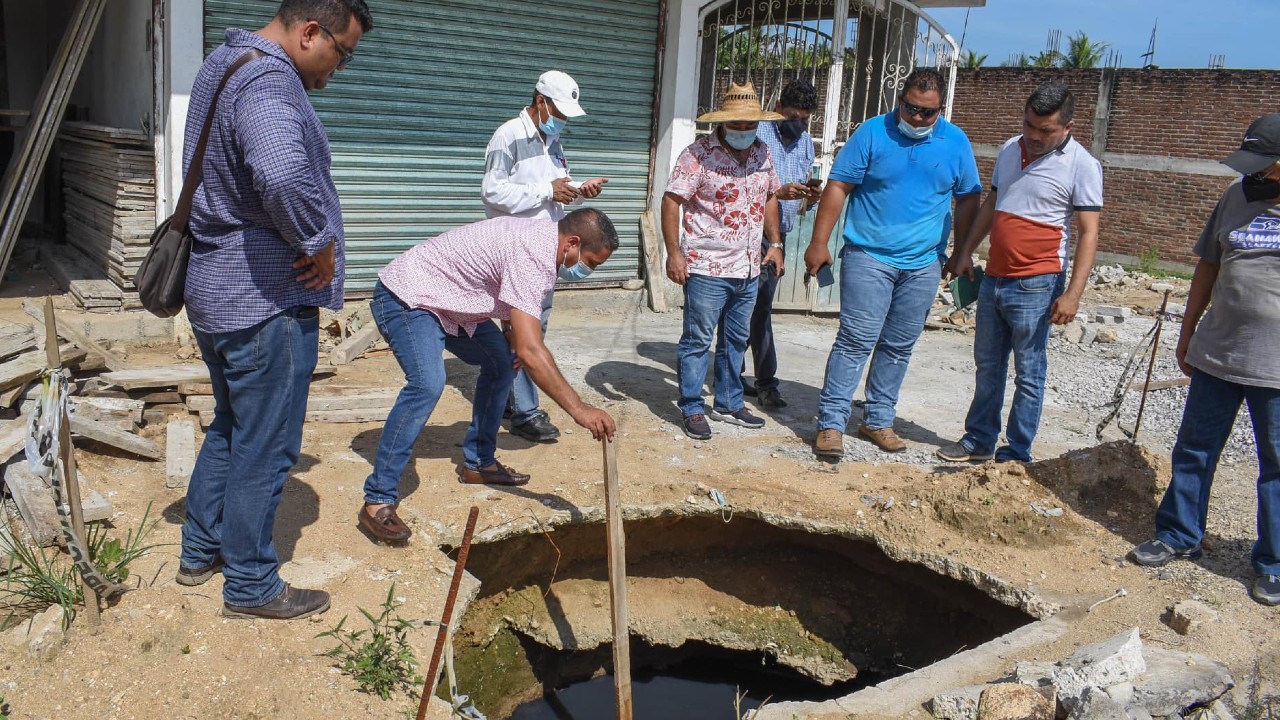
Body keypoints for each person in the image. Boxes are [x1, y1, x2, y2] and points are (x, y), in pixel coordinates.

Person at [175, 0, 372, 621]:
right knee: (267, 445)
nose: (340, 69)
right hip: (264, 301)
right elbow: (282, 174)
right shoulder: (269, 79)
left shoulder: (225, 61)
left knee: (232, 426)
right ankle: (251, 585)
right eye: (342, 53)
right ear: (311, 31)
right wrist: (319, 243)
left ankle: (200, 549)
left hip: (217, 292)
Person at [359, 209, 619, 542]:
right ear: (572, 242)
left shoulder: (544, 246)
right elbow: (532, 352)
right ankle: (378, 498)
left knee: (501, 363)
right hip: (408, 297)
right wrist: (580, 409)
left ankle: (479, 463)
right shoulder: (534, 254)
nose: (588, 271)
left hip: (454, 302)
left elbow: (514, 301)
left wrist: (511, 333)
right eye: (591, 262)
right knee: (428, 383)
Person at [1129, 113, 1280, 607]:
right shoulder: (1236, 197)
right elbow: (1208, 266)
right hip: (1219, 352)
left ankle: (1273, 563)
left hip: (1275, 368)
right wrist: (1188, 330)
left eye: (1263, 166)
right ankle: (1179, 535)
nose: (1253, 175)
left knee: (1276, 465)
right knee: (1194, 448)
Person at [803, 68, 980, 459]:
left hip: (923, 263)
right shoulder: (872, 132)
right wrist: (819, 242)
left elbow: (968, 197)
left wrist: (962, 252)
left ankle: (878, 419)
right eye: (911, 108)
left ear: (941, 109)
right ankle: (832, 423)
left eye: (927, 113)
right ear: (900, 99)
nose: (917, 118)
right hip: (869, 256)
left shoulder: (955, 142)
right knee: (855, 339)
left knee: (899, 345)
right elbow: (838, 186)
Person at [938, 81, 1102, 464]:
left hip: (1038, 283)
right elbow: (994, 202)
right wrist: (964, 252)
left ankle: (1016, 450)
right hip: (995, 277)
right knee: (987, 365)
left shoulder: (1082, 165)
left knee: (1028, 371)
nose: (1034, 136)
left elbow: (1089, 232)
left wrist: (1074, 293)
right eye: (1030, 125)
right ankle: (978, 440)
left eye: (1046, 130)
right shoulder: (1011, 149)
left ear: (1068, 127)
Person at [482, 71, 607, 444]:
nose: (564, 120)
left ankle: (508, 397)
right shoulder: (508, 135)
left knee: (523, 327)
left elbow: (555, 192)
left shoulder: (552, 140)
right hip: (517, 248)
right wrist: (546, 190)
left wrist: (579, 191)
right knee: (528, 330)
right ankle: (525, 410)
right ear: (541, 102)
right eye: (560, 111)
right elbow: (492, 191)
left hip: (545, 247)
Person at [663, 82, 783, 441]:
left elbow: (771, 197)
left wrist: (774, 243)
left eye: (751, 125)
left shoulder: (763, 153)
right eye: (738, 125)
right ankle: (691, 405)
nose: (745, 132)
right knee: (698, 339)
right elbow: (672, 201)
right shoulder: (697, 155)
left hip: (749, 266)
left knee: (736, 338)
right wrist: (674, 253)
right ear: (724, 121)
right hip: (706, 266)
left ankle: (729, 402)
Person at [740, 79, 821, 409]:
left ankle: (754, 379)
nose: (798, 124)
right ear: (778, 107)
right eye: (792, 116)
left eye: (804, 119)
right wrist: (776, 192)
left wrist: (810, 196)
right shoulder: (756, 135)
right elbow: (742, 185)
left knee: (759, 308)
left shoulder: (806, 144)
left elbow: (802, 196)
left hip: (777, 237)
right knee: (743, 307)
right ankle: (758, 381)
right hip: (746, 233)